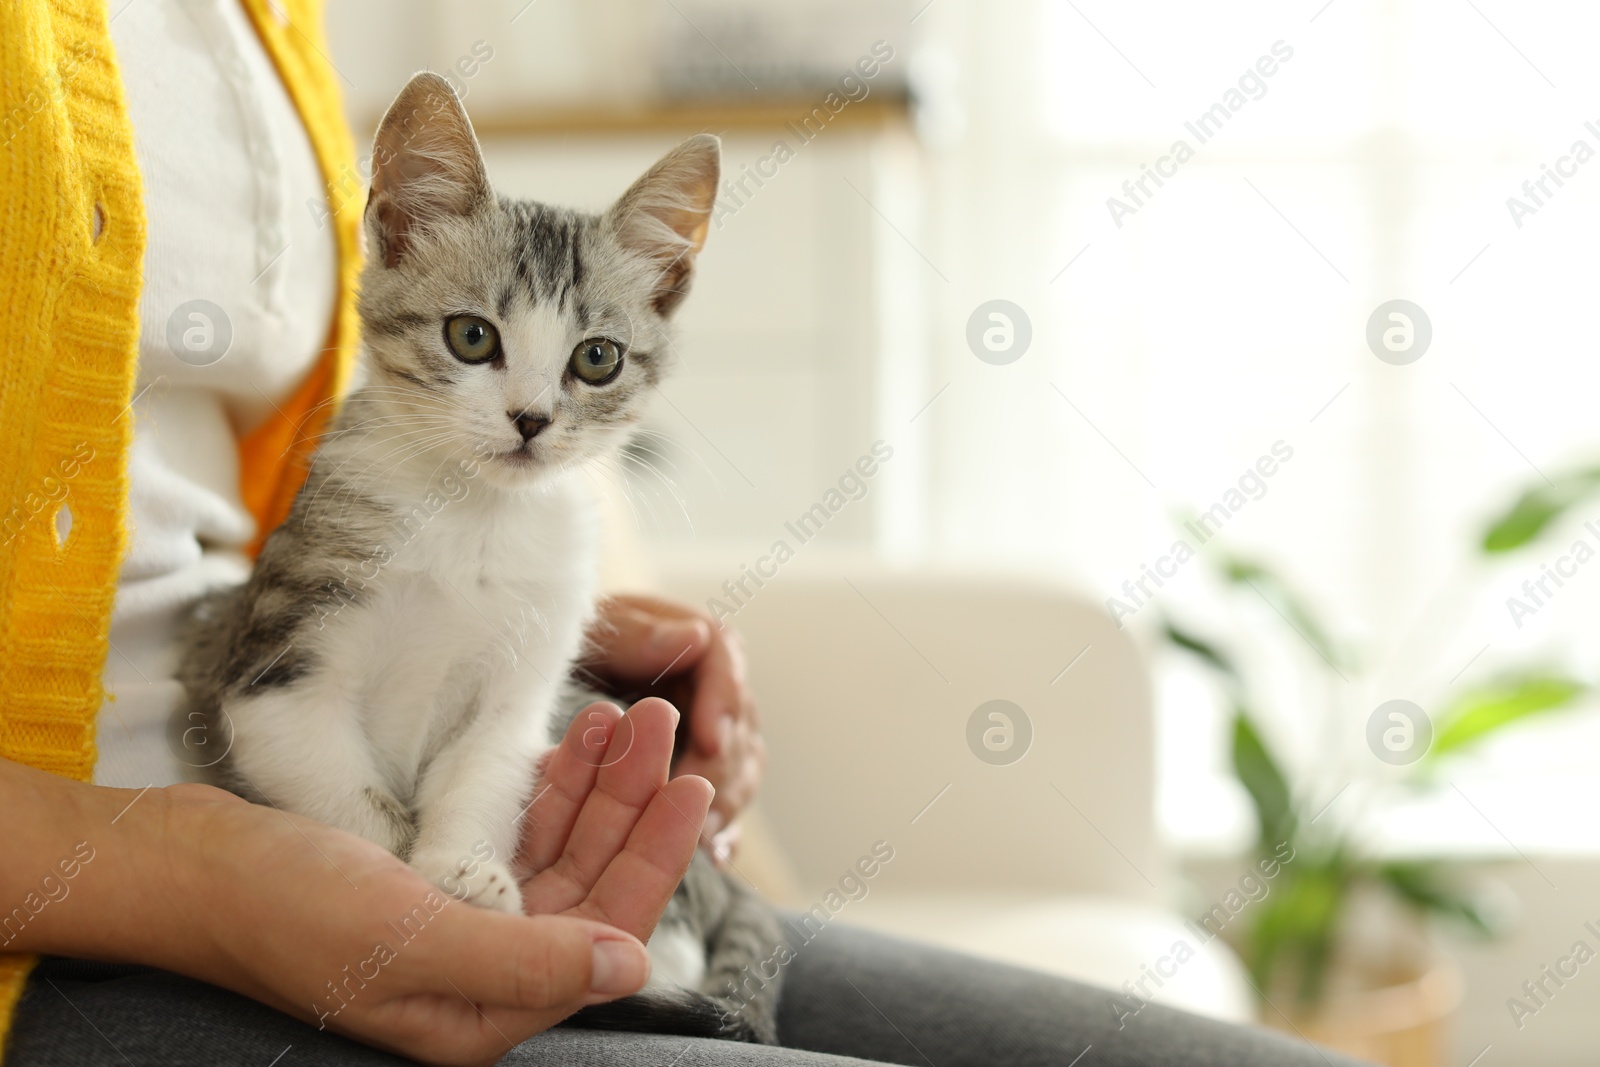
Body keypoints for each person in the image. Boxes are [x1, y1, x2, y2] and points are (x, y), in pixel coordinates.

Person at [0, 1, 1369, 1064]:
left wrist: (568, 634)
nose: (534, 406)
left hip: (377, 828)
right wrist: (155, 866)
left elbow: (345, 458)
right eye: (483, 347)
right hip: (99, 930)